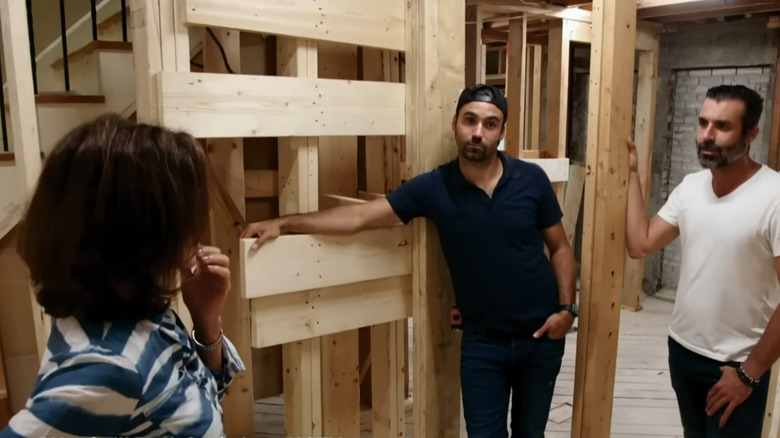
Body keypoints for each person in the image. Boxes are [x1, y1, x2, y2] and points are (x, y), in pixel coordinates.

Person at [242, 84, 578, 437]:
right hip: (484, 345)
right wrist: (285, 222)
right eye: (470, 120)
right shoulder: (434, 188)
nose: (478, 132)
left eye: (490, 124)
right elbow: (358, 219)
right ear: (455, 124)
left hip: (541, 336)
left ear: (502, 132)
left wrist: (566, 309)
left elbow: (560, 248)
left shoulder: (531, 180)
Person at [0, 114, 245, 438]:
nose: (196, 230)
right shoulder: (107, 367)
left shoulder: (142, 311)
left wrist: (206, 321)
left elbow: (198, 397)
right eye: (184, 216)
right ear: (140, 231)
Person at [625, 84, 780, 437]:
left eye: (722, 127)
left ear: (751, 133)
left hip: (737, 364)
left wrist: (749, 374)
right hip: (682, 351)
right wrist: (633, 174)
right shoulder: (692, 187)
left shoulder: (774, 196)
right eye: (703, 123)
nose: (707, 136)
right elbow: (640, 244)